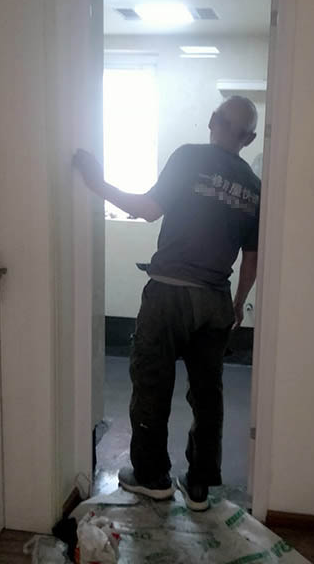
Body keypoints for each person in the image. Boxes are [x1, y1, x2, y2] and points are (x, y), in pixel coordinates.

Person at [73, 96, 261, 512]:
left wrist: (97, 184)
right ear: (248, 139)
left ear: (212, 120)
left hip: (169, 294)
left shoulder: (190, 157)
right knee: (208, 395)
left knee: (152, 384)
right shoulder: (253, 186)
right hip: (215, 300)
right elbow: (252, 257)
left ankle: (152, 477)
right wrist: (238, 303)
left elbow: (147, 210)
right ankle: (199, 485)